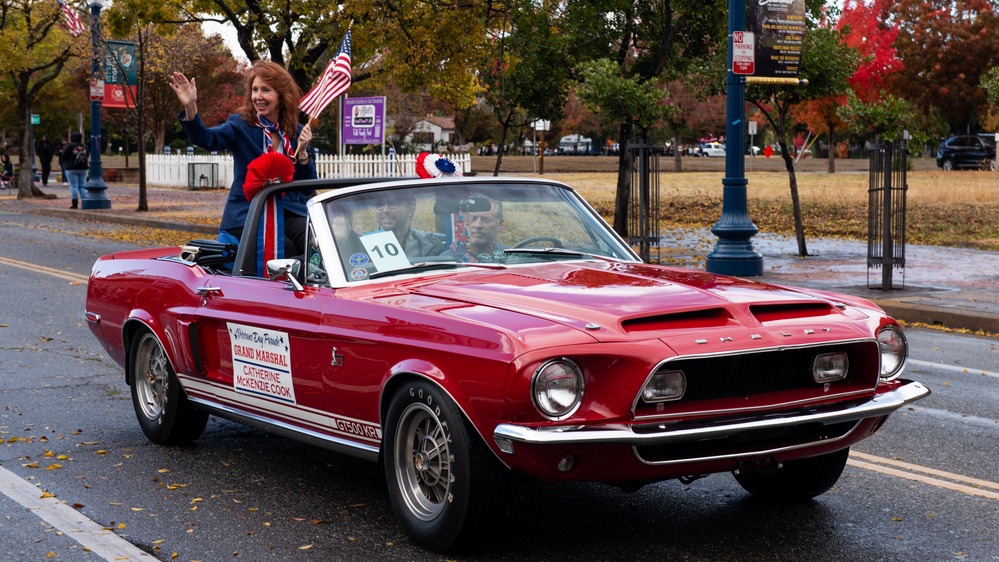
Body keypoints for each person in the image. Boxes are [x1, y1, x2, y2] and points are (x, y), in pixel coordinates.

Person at [169, 60, 316, 258]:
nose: (258, 97)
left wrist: (304, 154)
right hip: (247, 213)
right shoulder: (240, 125)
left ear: (282, 96)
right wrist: (191, 107)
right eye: (255, 90)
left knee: (315, 243)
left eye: (266, 90)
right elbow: (205, 138)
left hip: (288, 210)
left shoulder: (297, 132)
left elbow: (307, 188)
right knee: (285, 251)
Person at [374, 192, 445, 258]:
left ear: (410, 211)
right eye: (380, 204)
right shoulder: (364, 243)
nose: (385, 210)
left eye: (393, 204)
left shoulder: (430, 246)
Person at [449, 197, 506, 263]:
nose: (477, 225)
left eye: (485, 220)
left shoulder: (511, 258)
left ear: (500, 225)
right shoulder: (449, 261)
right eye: (473, 218)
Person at [60, 132, 89, 209]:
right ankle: (85, 203)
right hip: (83, 168)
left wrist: (65, 163)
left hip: (71, 168)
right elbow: (87, 156)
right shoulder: (85, 146)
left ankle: (75, 204)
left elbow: (63, 156)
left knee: (73, 186)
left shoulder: (70, 146)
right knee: (82, 186)